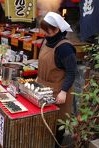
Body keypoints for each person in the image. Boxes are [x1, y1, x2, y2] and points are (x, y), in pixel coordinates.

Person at [37, 12, 77, 146]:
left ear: (57, 29)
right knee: (43, 122)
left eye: (47, 31)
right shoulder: (46, 41)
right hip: (42, 87)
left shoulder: (65, 48)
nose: (45, 34)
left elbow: (72, 72)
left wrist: (64, 91)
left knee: (56, 124)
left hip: (58, 91)